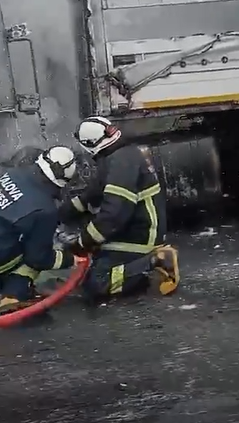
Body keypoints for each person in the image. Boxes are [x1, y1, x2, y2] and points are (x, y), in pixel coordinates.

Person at [0, 145, 82, 314]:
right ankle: (13, 294)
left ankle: (3, 286)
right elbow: (39, 258)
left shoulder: (13, 173)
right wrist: (70, 259)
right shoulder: (44, 209)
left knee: (9, 234)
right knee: (38, 251)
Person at [59, 116, 180, 300]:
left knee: (96, 284)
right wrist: (60, 214)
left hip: (141, 235)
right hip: (134, 226)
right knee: (97, 264)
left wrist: (83, 242)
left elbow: (113, 214)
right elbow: (91, 195)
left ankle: (156, 261)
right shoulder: (117, 155)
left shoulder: (121, 164)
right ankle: (139, 272)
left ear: (89, 144)